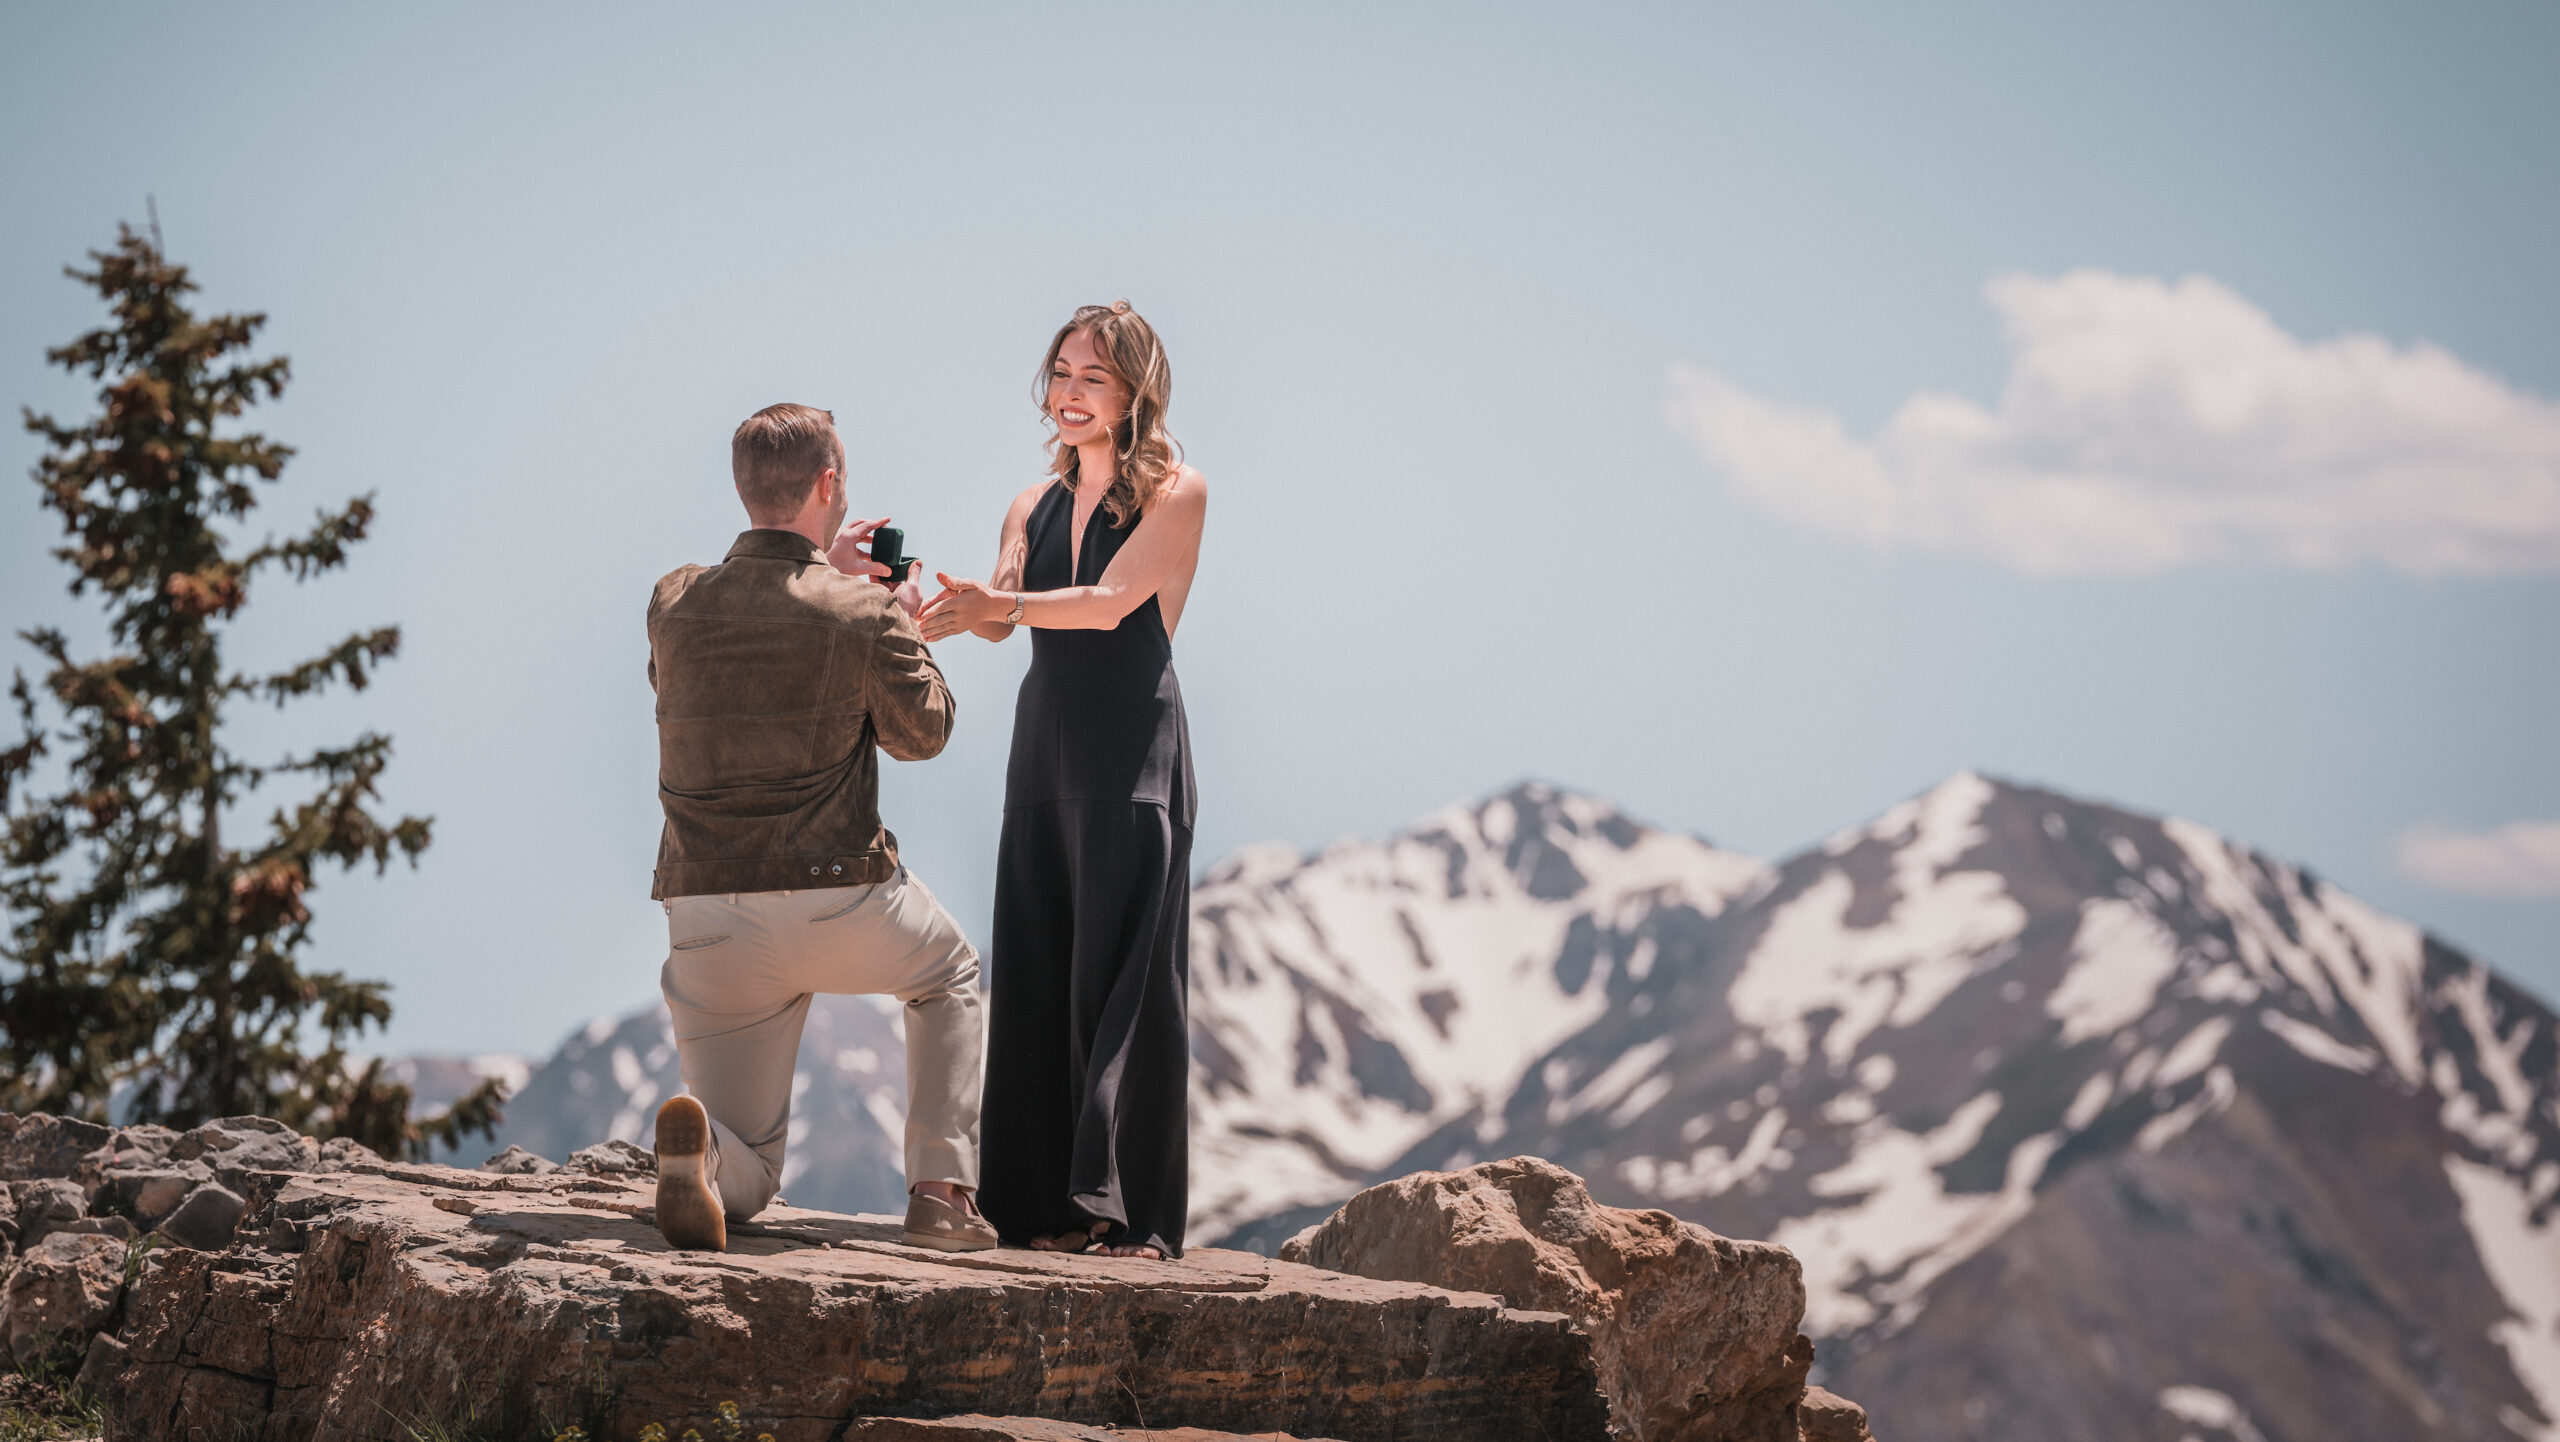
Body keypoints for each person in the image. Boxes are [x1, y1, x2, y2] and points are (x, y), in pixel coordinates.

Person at [642, 401, 997, 1255]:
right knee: (949, 974)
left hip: (706, 912)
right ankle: (942, 1199)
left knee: (753, 1168)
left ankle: (709, 1161)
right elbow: (925, 733)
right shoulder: (862, 617)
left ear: (743, 486)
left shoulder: (672, 602)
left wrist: (816, 568)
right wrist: (901, 620)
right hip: (839, 903)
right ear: (829, 483)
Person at [921, 302, 1208, 1259]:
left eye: (1093, 376)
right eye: (1061, 374)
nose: (1071, 393)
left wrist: (1001, 603)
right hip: (1043, 755)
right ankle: (1040, 1210)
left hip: (1133, 754)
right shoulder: (1029, 506)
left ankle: (1131, 1219)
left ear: (1134, 393)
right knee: (1041, 967)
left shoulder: (1180, 492)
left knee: (1127, 987)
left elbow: (1110, 602)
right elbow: (1008, 617)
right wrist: (956, 607)